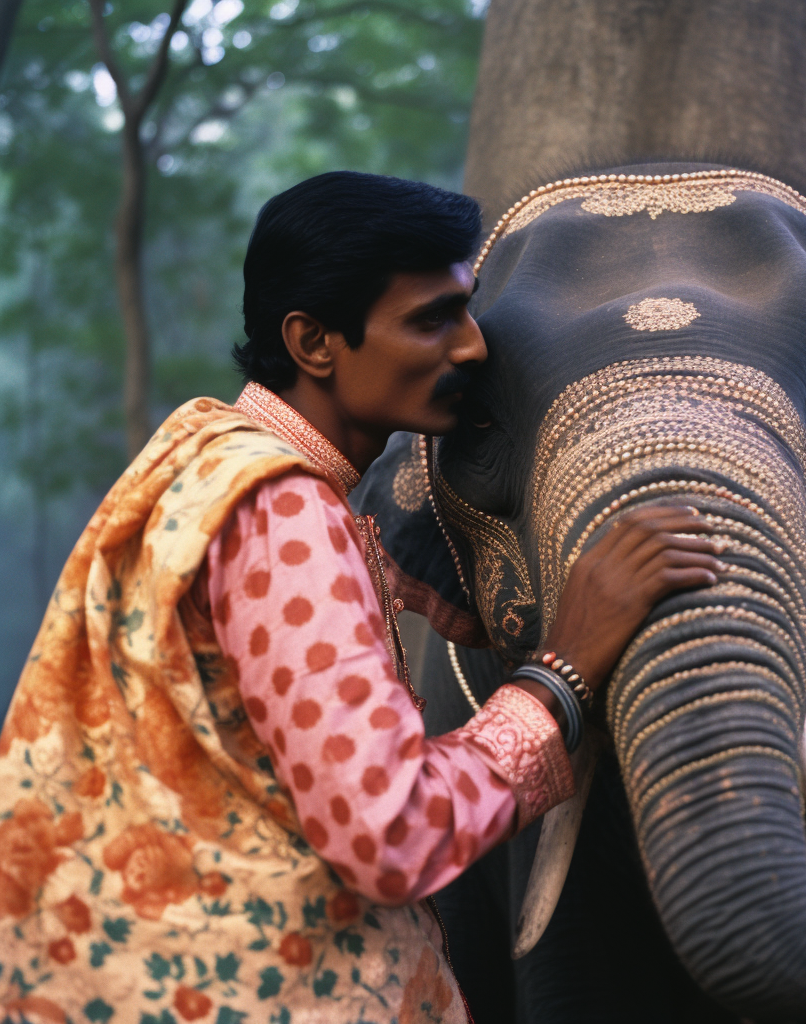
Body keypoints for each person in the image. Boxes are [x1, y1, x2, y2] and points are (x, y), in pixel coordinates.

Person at [0, 172, 726, 1024]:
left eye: (468, 307)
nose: (472, 348)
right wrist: (562, 672)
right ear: (313, 342)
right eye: (430, 320)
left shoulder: (206, 456)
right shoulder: (286, 512)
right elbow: (390, 833)